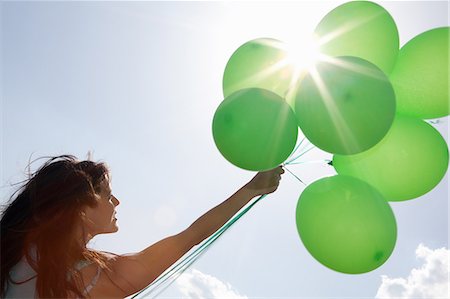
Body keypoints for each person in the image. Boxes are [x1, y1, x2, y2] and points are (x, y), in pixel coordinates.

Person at [1, 155, 284, 298]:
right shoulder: (88, 279)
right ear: (81, 209)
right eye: (107, 193)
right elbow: (191, 236)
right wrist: (251, 189)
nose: (117, 201)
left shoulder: (15, 252)